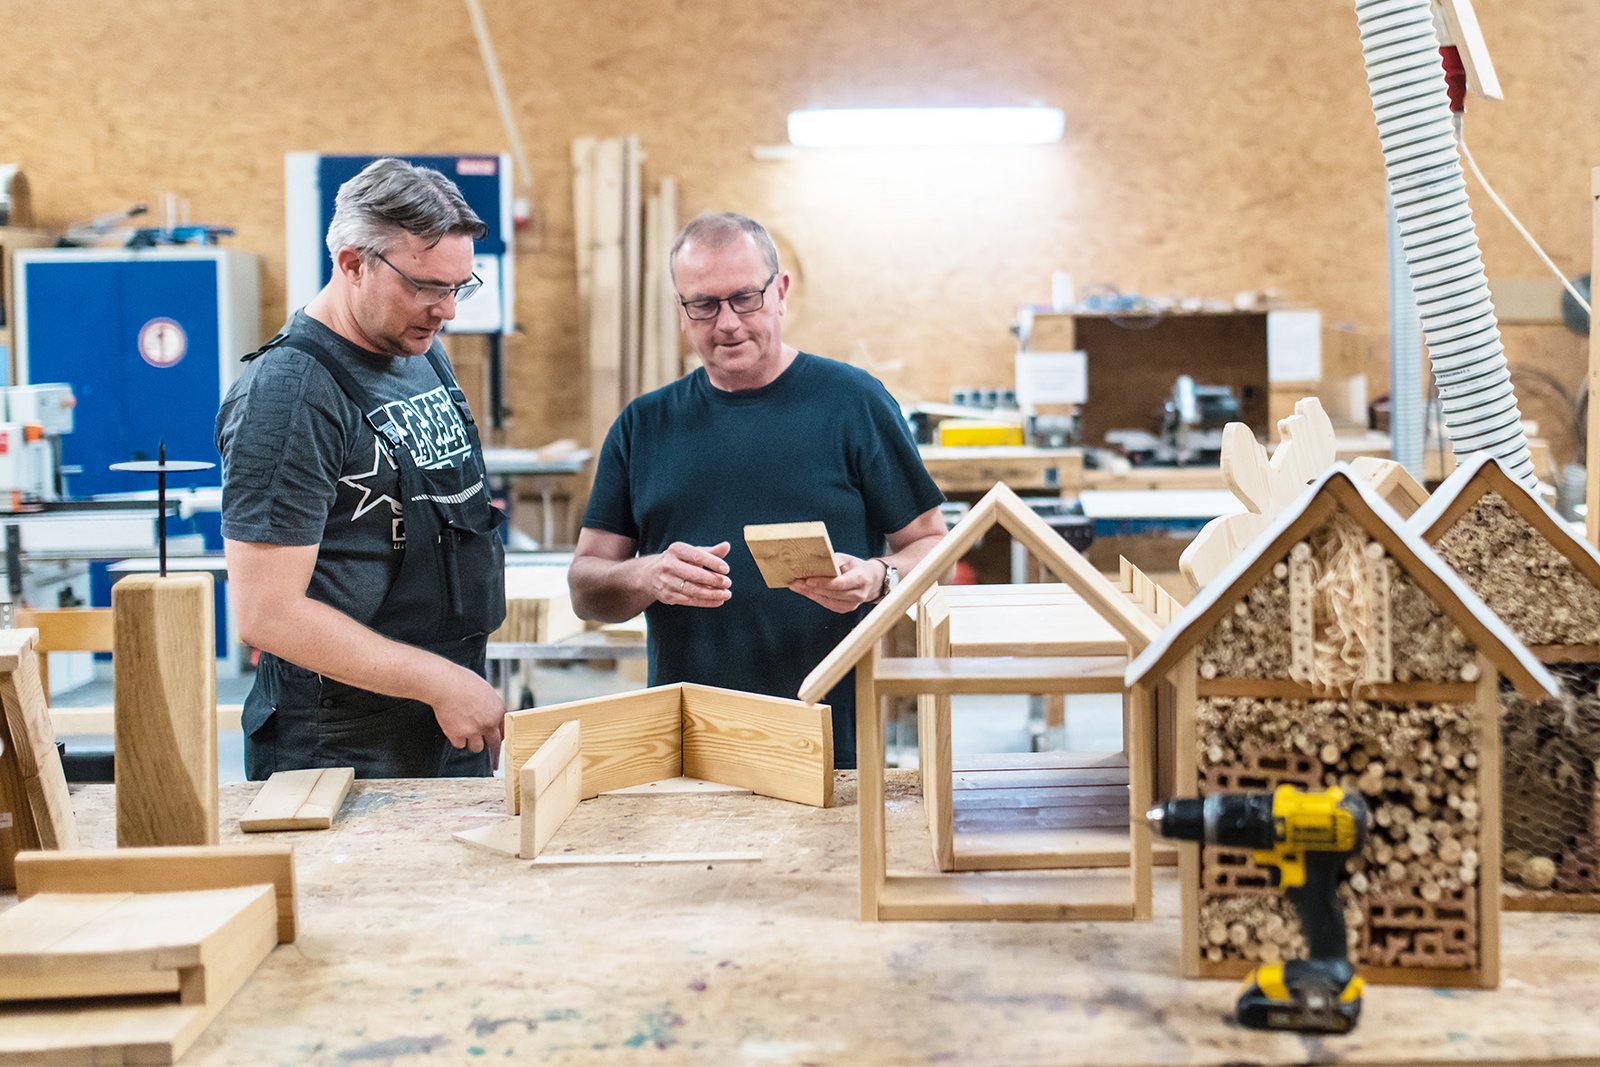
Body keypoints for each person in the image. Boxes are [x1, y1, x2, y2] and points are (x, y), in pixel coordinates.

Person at [569, 211, 946, 769]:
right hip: (690, 739)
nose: (726, 323)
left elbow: (933, 544)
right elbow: (586, 587)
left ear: (781, 292)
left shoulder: (853, 404)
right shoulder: (643, 426)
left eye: (745, 298)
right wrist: (646, 575)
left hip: (830, 733)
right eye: (704, 304)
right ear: (681, 311)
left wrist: (878, 577)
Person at [217, 158, 507, 780]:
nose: (447, 311)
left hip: (437, 713)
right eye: (428, 287)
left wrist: (447, 683)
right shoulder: (289, 395)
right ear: (353, 264)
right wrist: (435, 680)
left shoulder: (418, 350)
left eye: (460, 286)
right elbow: (265, 613)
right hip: (339, 741)